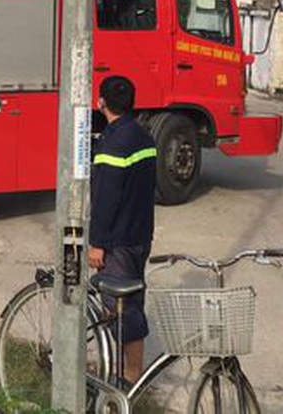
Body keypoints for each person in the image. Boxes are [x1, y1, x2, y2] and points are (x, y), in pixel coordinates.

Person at [88, 75, 157, 384]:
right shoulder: (144, 136)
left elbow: (106, 198)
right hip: (141, 235)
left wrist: (97, 243)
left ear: (101, 103)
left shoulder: (113, 143)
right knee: (130, 301)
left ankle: (129, 377)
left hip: (118, 240)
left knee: (125, 309)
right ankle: (124, 371)